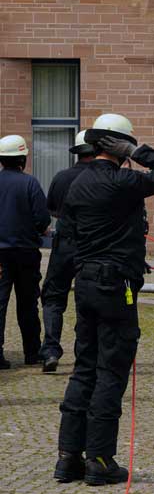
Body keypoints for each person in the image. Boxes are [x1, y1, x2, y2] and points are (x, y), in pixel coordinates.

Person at [55, 113, 154, 486]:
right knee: (110, 371)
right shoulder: (123, 182)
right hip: (116, 286)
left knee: (84, 367)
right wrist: (138, 151)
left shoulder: (75, 186)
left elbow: (67, 240)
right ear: (119, 147)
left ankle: (68, 457)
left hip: (86, 283)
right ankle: (99, 460)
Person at [40, 131, 96, 374]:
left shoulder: (62, 177)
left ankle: (51, 350)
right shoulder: (104, 178)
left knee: (53, 298)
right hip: (93, 245)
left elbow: (51, 208)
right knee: (88, 300)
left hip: (64, 244)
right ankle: (83, 354)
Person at [0, 134, 51, 369]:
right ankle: (32, 352)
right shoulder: (30, 183)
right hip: (26, 252)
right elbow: (42, 218)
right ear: (23, 158)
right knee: (28, 303)